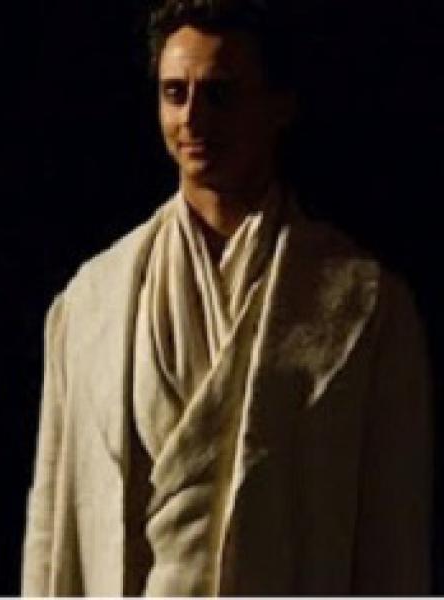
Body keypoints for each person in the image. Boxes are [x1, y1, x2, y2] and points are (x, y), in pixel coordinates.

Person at [22, 0, 432, 595]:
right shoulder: (92, 301)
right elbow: (52, 526)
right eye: (175, 93)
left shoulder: (362, 302)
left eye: (220, 94)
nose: (193, 118)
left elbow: (395, 540)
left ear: (278, 106)